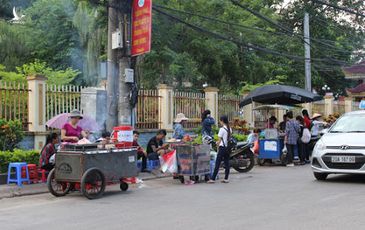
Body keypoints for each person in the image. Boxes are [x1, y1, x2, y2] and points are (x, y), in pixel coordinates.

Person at [208, 115, 231, 184]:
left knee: (217, 163)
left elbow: (219, 141)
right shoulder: (229, 129)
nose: (220, 122)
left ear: (222, 121)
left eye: (220, 121)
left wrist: (216, 144)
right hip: (227, 148)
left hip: (222, 148)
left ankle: (212, 179)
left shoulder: (222, 129)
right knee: (227, 163)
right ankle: (226, 178)